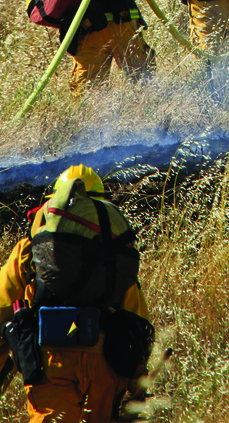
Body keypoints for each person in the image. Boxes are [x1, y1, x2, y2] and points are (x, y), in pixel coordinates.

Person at [0, 164, 153, 423]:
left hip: (50, 363)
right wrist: (138, 390)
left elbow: (1, 307)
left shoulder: (31, 247)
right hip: (107, 363)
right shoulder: (114, 251)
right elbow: (138, 323)